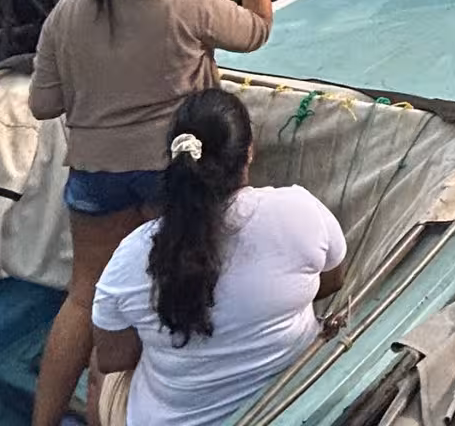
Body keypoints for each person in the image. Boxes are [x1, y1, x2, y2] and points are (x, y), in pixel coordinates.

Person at [27, 0, 276, 426]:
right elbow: (257, 29)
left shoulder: (69, 9)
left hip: (97, 179)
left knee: (85, 298)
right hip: (175, 174)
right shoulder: (192, 4)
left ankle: (43, 422)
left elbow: (43, 104)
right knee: (171, 285)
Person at [88, 89, 347, 426]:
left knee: (96, 367)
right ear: (249, 152)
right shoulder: (301, 211)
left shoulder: (131, 258)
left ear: (174, 160)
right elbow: (331, 281)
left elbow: (113, 358)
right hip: (287, 398)